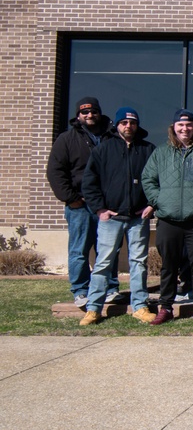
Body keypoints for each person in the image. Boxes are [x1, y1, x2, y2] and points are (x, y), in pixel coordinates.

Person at [78, 107, 156, 326]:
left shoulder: (148, 150)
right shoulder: (103, 150)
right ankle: (94, 308)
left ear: (137, 125)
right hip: (111, 218)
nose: (128, 126)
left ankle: (140, 306)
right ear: (117, 125)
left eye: (132, 123)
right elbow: (89, 183)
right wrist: (100, 209)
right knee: (103, 263)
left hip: (138, 217)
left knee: (138, 263)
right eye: (124, 123)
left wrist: (152, 204)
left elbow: (158, 181)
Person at [141, 109, 193, 325]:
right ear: (173, 127)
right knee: (169, 265)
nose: (185, 129)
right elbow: (148, 179)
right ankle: (166, 307)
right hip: (168, 219)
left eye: (189, 125)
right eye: (181, 125)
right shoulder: (161, 152)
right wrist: (159, 200)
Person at [46, 96, 114, 308]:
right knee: (79, 250)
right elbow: (55, 172)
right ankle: (81, 290)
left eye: (93, 111)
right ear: (78, 115)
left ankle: (110, 288)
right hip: (80, 206)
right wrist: (71, 198)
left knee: (108, 249)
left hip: (107, 205)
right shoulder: (67, 139)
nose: (89, 115)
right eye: (85, 112)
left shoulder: (111, 137)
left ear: (99, 113)